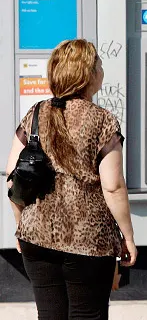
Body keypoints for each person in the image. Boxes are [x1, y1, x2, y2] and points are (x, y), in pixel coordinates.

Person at [5, 39, 137, 319]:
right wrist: (127, 236)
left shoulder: (35, 114)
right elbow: (113, 187)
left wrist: (21, 225)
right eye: (99, 65)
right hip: (88, 240)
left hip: (36, 236)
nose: (102, 70)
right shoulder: (103, 120)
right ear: (88, 74)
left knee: (50, 315)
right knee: (87, 314)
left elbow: (12, 177)